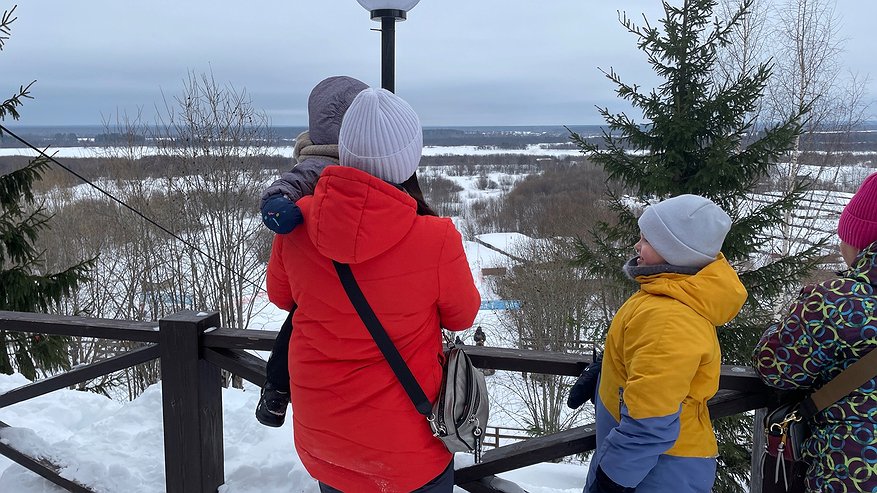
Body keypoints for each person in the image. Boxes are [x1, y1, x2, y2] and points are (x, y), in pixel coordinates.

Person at [266, 87, 481, 493]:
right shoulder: (435, 239)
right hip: (408, 452)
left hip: (326, 442)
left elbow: (281, 297)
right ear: (409, 158)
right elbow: (462, 315)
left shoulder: (297, 225)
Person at [584, 194, 748, 493]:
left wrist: (612, 481)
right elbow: (651, 370)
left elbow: (651, 419)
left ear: (675, 252)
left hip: (654, 470)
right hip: (645, 463)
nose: (637, 246)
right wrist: (606, 372)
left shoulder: (669, 318)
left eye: (646, 239)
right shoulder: (665, 292)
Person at [753, 171, 877, 492]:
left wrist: (795, 315)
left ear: (862, 241)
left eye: (846, 235)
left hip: (854, 472)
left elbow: (773, 367)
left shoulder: (838, 302)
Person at [255, 75, 368, 427]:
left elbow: (281, 294)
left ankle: (276, 390)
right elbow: (292, 181)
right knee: (298, 323)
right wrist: (277, 203)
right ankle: (275, 389)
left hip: (329, 276)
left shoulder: (355, 158)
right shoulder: (321, 160)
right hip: (334, 265)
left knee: (300, 320)